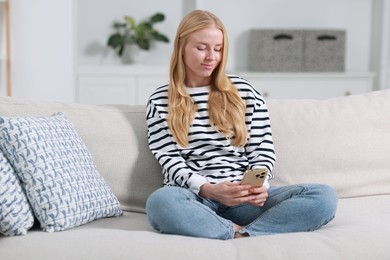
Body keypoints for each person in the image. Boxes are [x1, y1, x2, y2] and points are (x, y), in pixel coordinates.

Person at [145, 10, 338, 240]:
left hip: (243, 199)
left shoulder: (242, 91)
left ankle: (244, 234)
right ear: (181, 47)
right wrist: (208, 189)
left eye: (218, 49)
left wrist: (256, 186)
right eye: (201, 48)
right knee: (159, 202)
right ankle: (230, 230)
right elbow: (168, 159)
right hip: (195, 199)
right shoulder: (160, 100)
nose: (211, 57)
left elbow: (262, 150)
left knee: (324, 196)